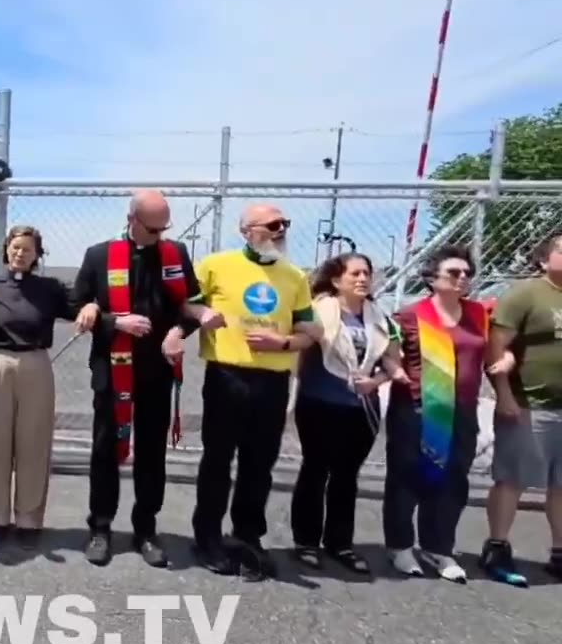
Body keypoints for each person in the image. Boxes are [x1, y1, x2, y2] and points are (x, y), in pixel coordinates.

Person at [70, 190, 221, 567]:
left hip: (157, 368)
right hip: (112, 365)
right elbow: (76, 305)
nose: (159, 235)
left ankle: (146, 529)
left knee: (152, 452)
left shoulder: (175, 255)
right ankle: (100, 527)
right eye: (152, 228)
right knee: (105, 447)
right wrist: (114, 320)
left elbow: (190, 306)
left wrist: (179, 332)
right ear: (132, 220)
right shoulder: (99, 256)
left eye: (163, 228)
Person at [191, 203, 320, 579]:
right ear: (247, 230)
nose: (281, 230)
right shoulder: (216, 264)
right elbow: (186, 303)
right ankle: (208, 537)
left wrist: (281, 343)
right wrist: (200, 316)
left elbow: (309, 332)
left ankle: (247, 535)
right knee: (217, 460)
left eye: (285, 224)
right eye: (273, 224)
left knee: (259, 464)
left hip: (273, 380)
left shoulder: (294, 276)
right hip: (227, 376)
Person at [383, 245, 502, 583]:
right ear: (432, 278)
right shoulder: (410, 315)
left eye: (467, 273)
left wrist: (504, 364)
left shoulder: (478, 314)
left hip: (462, 409)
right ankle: (400, 546)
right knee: (408, 476)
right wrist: (393, 370)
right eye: (454, 272)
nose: (463, 278)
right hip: (418, 408)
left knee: (452, 479)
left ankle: (438, 546)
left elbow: (492, 355)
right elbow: (387, 354)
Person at [290, 252, 405, 574]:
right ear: (337, 280)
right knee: (315, 470)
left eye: (367, 273)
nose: (362, 279)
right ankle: (306, 542)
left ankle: (340, 543)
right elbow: (300, 346)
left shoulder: (380, 318)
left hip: (360, 408)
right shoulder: (318, 311)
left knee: (346, 477)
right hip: (319, 403)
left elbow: (391, 361)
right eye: (354, 273)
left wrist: (377, 381)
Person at [0, 225, 91, 542]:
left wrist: (92, 306)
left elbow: (76, 307)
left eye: (27, 249)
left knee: (33, 442)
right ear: (6, 250)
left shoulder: (49, 288)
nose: (20, 254)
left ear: (37, 255)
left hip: (36, 363)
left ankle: (28, 518)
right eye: (15, 247)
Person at [480, 232, 562, 585]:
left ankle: (559, 552)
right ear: (544, 260)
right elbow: (496, 346)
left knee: (561, 485)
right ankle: (497, 547)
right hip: (529, 405)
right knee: (512, 479)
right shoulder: (526, 294)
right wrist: (505, 396)